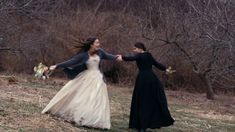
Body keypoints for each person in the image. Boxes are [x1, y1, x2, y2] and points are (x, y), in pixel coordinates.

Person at [41, 37, 118, 130]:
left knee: (96, 99)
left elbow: (110, 56)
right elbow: (71, 62)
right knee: (83, 97)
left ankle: (94, 119)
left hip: (98, 78)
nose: (99, 44)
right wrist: (57, 66)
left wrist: (121, 57)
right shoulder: (83, 55)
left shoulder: (100, 52)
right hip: (87, 77)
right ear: (91, 44)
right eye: (97, 43)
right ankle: (81, 117)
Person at [118, 42, 175, 132]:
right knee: (151, 100)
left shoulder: (140, 55)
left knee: (142, 100)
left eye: (135, 48)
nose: (134, 50)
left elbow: (132, 58)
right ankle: (148, 123)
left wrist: (122, 57)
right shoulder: (149, 55)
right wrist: (166, 69)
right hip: (152, 79)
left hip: (143, 80)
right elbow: (157, 64)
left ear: (140, 48)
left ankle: (142, 125)